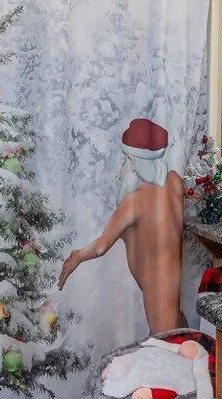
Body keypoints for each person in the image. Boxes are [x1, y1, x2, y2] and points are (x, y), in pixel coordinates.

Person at [58, 118, 185, 334]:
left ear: (131, 161)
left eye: (124, 161)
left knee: (164, 348)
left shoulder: (135, 201)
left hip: (156, 291)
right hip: (172, 284)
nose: (121, 169)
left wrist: (77, 257)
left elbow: (101, 246)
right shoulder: (175, 183)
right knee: (179, 335)